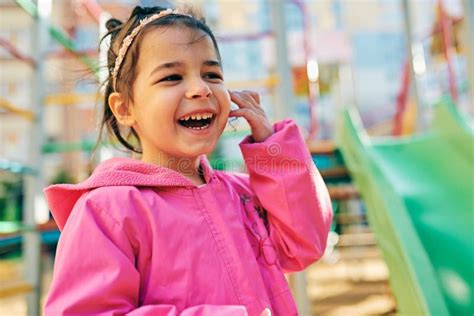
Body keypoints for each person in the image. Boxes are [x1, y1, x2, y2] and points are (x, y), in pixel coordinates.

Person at [43, 5, 333, 316]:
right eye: (171, 77)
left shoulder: (243, 195)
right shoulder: (107, 211)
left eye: (211, 74)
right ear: (125, 108)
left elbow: (305, 242)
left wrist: (274, 149)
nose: (201, 88)